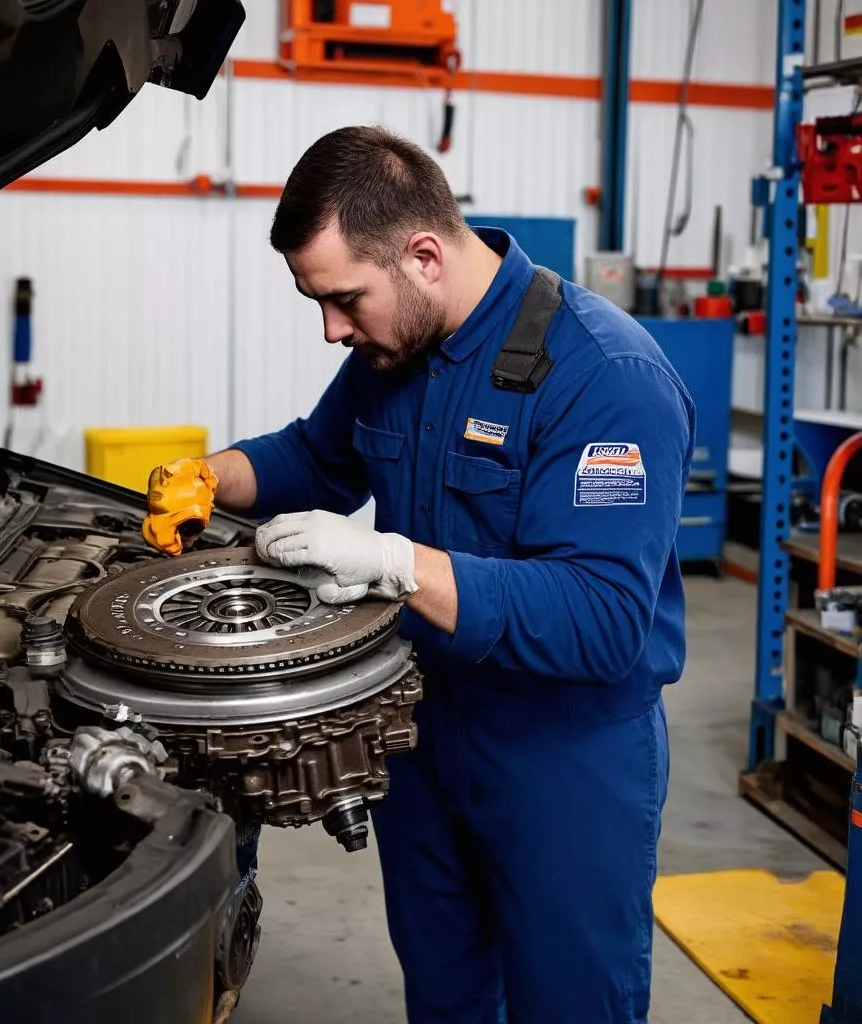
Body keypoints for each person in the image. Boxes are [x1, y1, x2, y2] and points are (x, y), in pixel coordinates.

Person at [142, 125, 695, 1024]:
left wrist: (395, 563)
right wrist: (213, 475)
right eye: (317, 303)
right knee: (445, 999)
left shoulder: (607, 376)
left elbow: (601, 620)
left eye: (345, 300)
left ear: (424, 254)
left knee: (571, 1004)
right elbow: (316, 459)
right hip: (424, 739)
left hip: (561, 761)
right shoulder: (391, 351)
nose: (332, 329)